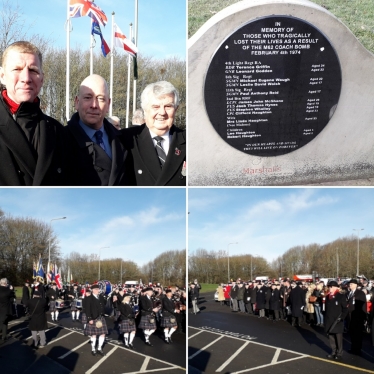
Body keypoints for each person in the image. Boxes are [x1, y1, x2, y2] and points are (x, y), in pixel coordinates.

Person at [0, 41, 67, 186]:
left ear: (42, 78)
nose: (26, 78)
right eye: (17, 69)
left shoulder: (59, 133)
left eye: (33, 70)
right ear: (2, 76)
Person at [65, 74, 127, 185]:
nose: (94, 105)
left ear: (108, 104)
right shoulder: (60, 140)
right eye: (88, 98)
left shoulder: (124, 141)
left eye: (100, 99)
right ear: (77, 102)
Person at [121, 81, 186, 186]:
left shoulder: (190, 142)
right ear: (145, 110)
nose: (162, 112)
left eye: (168, 106)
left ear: (176, 109)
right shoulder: (125, 140)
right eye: (155, 107)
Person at [324, 281, 348, 360]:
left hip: (337, 321)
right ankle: (333, 352)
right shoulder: (328, 296)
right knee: (331, 338)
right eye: (329, 286)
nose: (330, 288)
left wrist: (342, 318)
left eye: (331, 287)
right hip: (329, 320)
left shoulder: (341, 296)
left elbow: (345, 309)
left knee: (338, 338)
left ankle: (339, 353)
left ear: (336, 288)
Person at [84, 284, 108, 356]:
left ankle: (99, 348)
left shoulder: (100, 297)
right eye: (97, 289)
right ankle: (93, 349)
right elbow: (87, 310)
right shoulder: (89, 298)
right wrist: (89, 319)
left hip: (101, 317)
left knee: (103, 334)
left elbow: (104, 304)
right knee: (93, 335)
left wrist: (105, 297)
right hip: (93, 318)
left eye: (98, 289)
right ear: (93, 290)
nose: (98, 290)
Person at [347, 278, 367, 355]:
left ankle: (357, 348)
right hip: (350, 316)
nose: (350, 285)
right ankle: (353, 347)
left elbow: (363, 305)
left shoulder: (360, 293)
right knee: (352, 333)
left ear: (355, 285)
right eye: (349, 284)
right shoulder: (349, 293)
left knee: (358, 333)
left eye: (351, 284)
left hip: (357, 317)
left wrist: (363, 316)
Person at [0, 278, 14, 342]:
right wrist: (11, 290)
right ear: (5, 283)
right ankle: (4, 336)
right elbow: (12, 299)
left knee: (4, 322)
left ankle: (4, 335)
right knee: (4, 322)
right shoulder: (8, 291)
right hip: (5, 309)